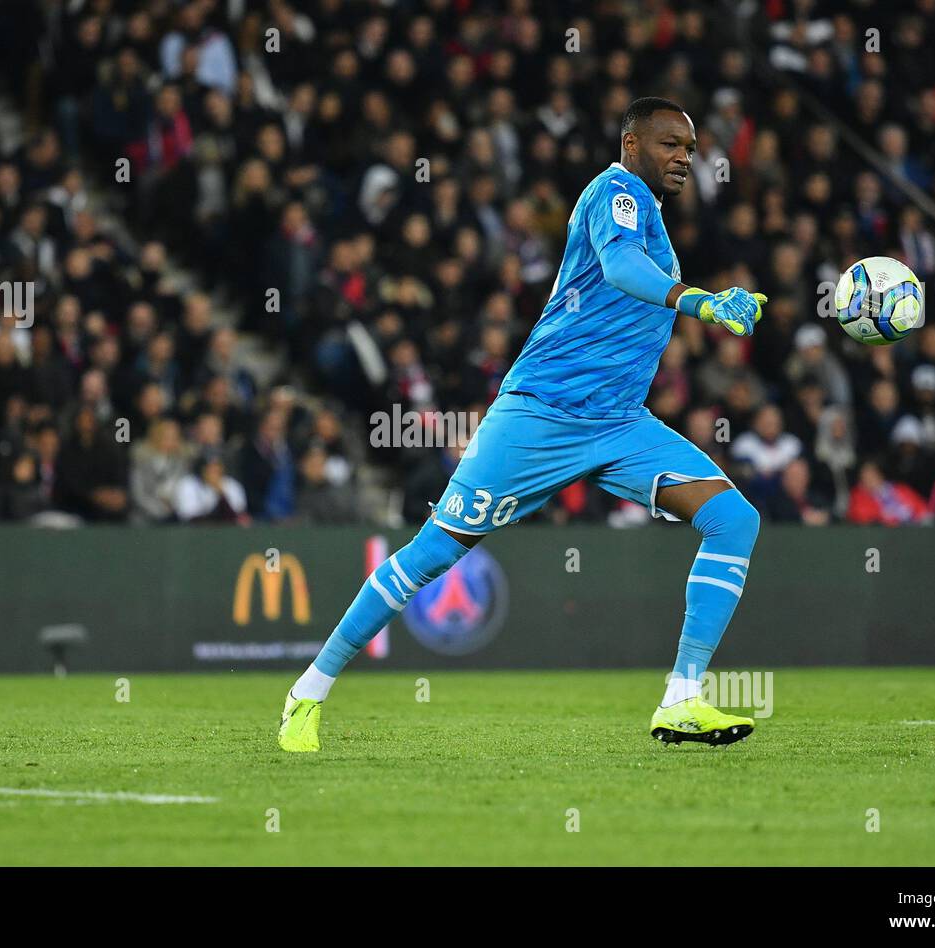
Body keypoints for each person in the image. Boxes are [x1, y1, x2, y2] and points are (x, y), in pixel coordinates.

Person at [280, 98, 768, 752]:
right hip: (540, 415)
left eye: (690, 146)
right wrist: (702, 301)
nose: (684, 156)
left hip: (619, 423)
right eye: (670, 144)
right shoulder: (614, 191)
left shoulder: (651, 215)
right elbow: (623, 270)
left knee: (734, 519)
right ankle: (308, 692)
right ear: (631, 144)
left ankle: (682, 697)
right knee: (433, 554)